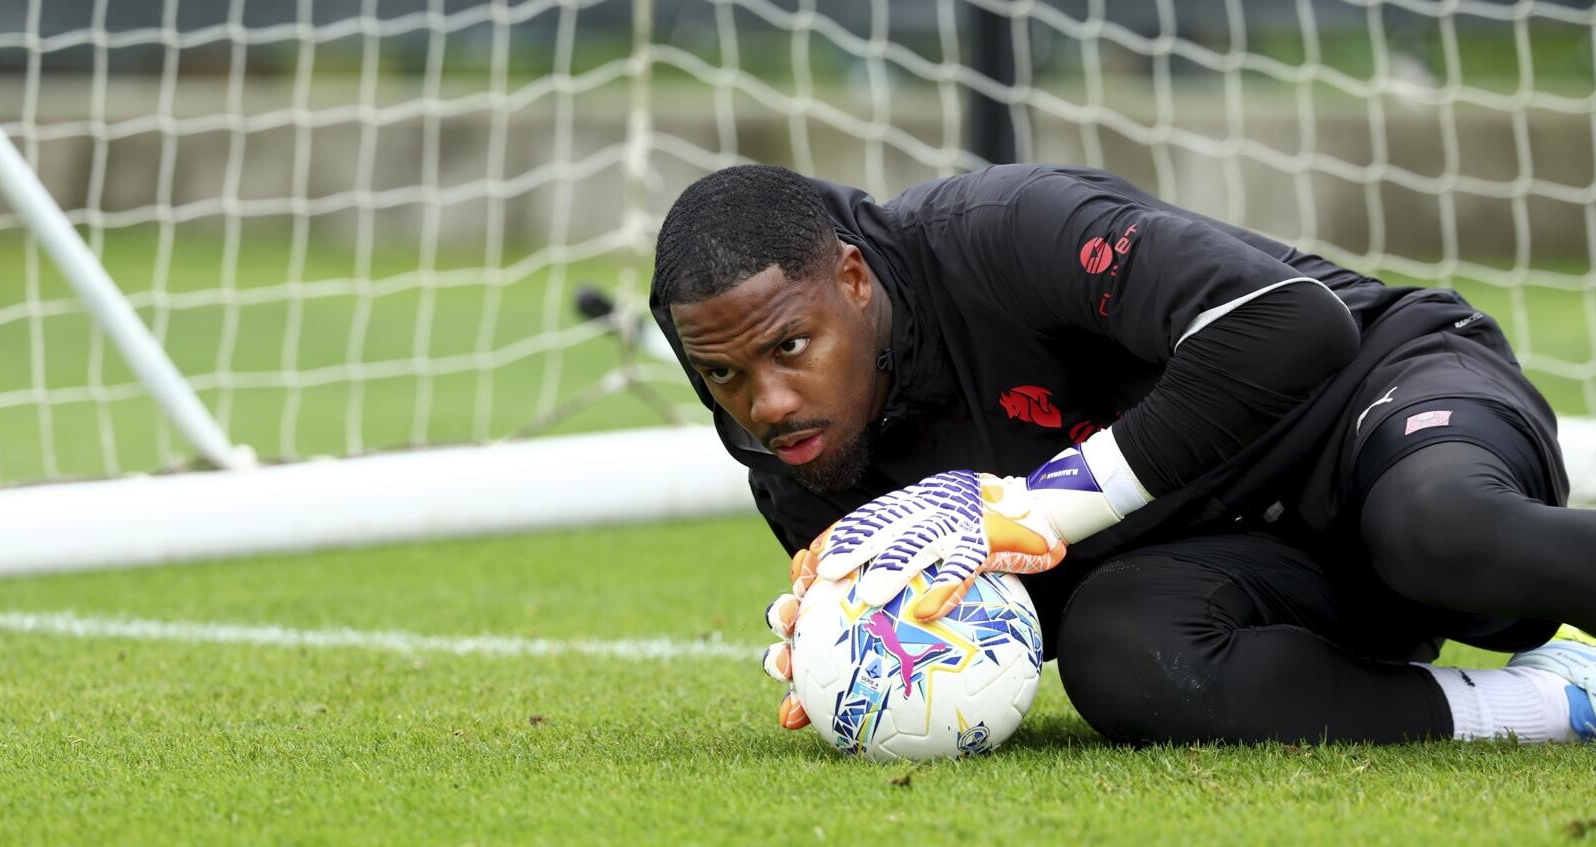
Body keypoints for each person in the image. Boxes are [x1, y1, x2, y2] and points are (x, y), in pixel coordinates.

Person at [649, 162, 1596, 745]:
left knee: (1439, 531)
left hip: (1376, 400)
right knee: (1122, 654)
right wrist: (872, 636)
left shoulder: (1002, 229)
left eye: (789, 346)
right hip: (1254, 555)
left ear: (854, 281)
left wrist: (1038, 506)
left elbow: (1294, 325)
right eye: (723, 374)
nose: (767, 404)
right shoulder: (798, 461)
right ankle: (1553, 703)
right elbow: (1029, 613)